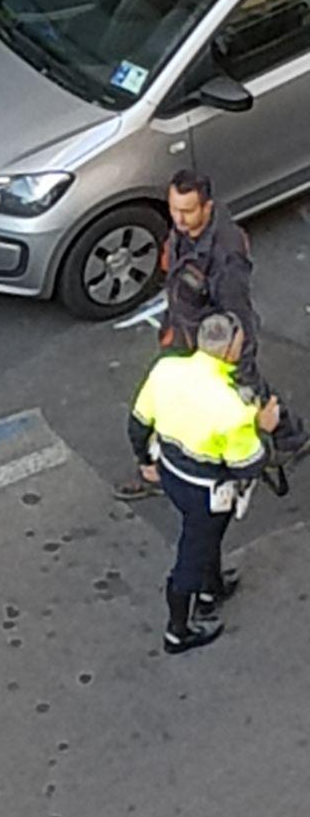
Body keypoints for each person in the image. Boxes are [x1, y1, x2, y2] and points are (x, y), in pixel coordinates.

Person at [114, 167, 307, 501]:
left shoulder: (226, 256)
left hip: (208, 346)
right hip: (182, 333)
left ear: (207, 206)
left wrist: (236, 364)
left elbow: (238, 318)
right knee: (244, 389)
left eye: (187, 211)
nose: (179, 219)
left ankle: (157, 469)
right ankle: (291, 436)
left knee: (239, 388)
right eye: (174, 209)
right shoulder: (187, 232)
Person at [127, 312, 279, 654]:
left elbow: (138, 423)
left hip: (170, 472)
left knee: (207, 538)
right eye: (240, 341)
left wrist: (144, 462)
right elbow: (250, 464)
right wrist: (264, 426)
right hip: (207, 491)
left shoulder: (166, 370)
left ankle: (212, 589)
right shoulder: (233, 407)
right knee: (192, 554)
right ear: (229, 350)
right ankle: (178, 631)